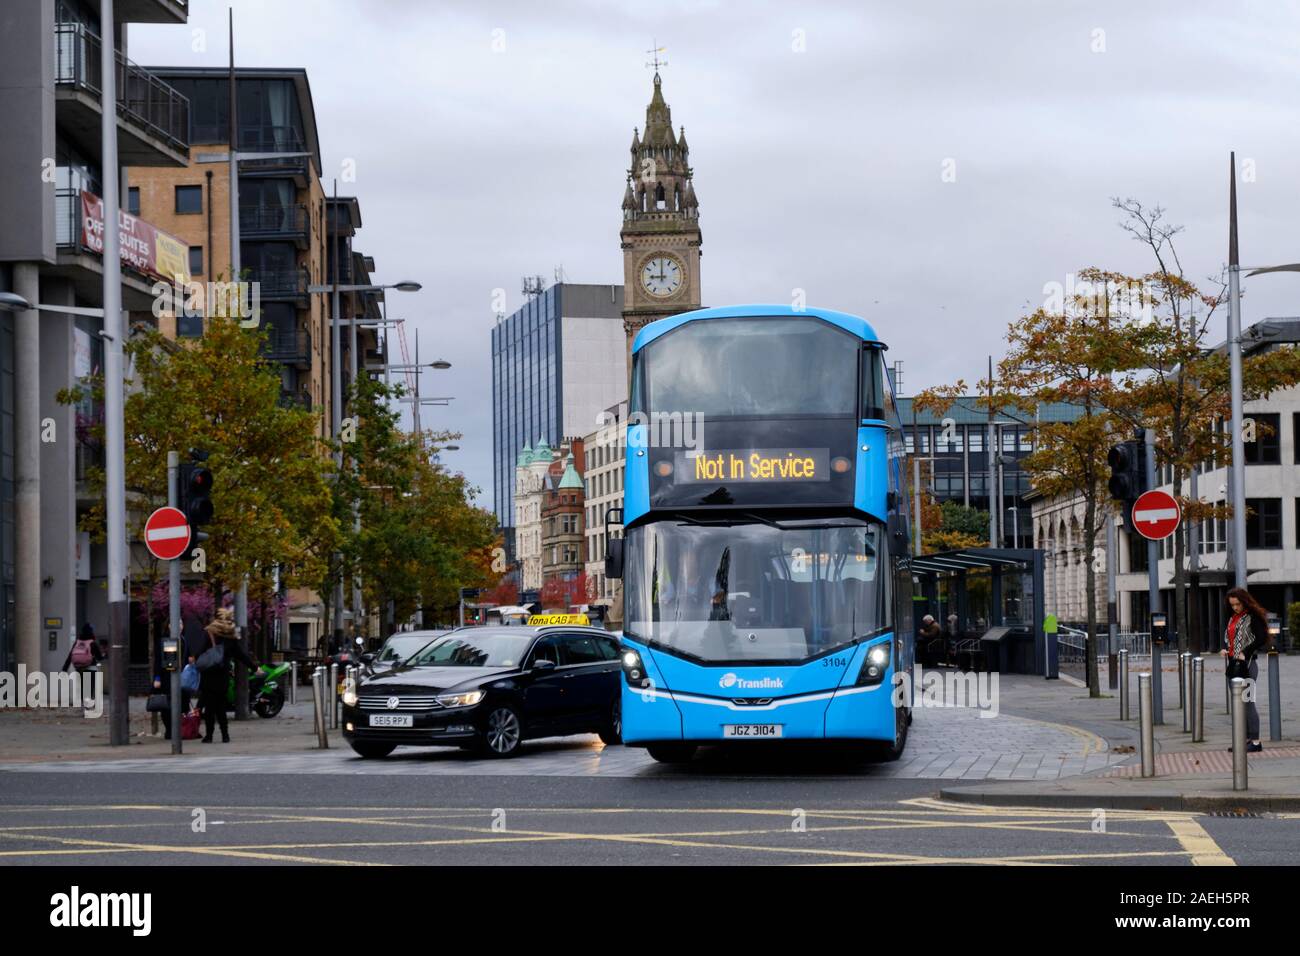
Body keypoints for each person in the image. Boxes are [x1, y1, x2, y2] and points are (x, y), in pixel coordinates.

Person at [197, 608, 255, 744]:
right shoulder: (230, 640)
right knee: (221, 707)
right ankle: (225, 735)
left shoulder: (209, 635)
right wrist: (254, 667)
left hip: (208, 677)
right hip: (222, 678)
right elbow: (242, 656)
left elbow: (200, 652)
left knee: (210, 709)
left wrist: (195, 658)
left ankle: (209, 736)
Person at [1222, 588, 1269, 753]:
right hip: (1233, 664)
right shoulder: (1233, 617)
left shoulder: (1252, 616)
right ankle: (1245, 739)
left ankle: (1255, 741)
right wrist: (1225, 648)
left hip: (1248, 665)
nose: (1235, 607)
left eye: (1238, 604)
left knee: (1248, 702)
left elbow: (1261, 638)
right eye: (1232, 604)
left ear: (1244, 601)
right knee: (1238, 704)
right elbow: (1229, 637)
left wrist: (1245, 652)